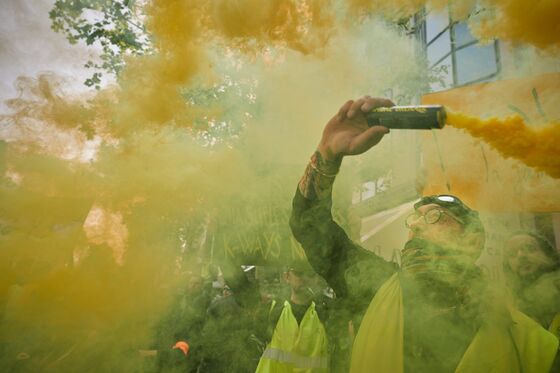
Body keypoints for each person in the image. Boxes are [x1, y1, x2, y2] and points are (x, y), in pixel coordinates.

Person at [289, 96, 559, 372]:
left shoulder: (534, 346)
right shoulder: (373, 285)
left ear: (473, 240)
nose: (416, 225)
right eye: (415, 218)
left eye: (434, 217)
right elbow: (310, 227)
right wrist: (327, 154)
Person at [255, 263, 330, 372]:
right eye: (298, 273)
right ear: (287, 277)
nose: (304, 278)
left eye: (310, 274)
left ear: (316, 279)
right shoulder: (273, 311)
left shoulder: (325, 314)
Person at [503, 231, 560, 337]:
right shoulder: (508, 304)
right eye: (512, 254)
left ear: (548, 255)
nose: (521, 255)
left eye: (530, 248)